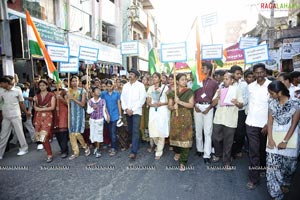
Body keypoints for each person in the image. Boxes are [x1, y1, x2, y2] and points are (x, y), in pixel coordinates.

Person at [266, 80, 300, 200]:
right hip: (274, 137)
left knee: (289, 166)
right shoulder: (271, 103)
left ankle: (286, 182)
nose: (270, 96)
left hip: (290, 138)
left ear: (280, 92)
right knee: (272, 167)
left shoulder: (295, 103)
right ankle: (276, 195)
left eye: (272, 93)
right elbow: (269, 122)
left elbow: (294, 124)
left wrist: (285, 141)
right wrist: (270, 139)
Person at [246, 63, 272, 190]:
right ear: (254, 74)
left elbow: (273, 107)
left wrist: (268, 124)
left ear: (265, 73)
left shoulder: (271, 86)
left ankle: (262, 168)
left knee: (263, 150)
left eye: (261, 72)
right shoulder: (250, 86)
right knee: (254, 151)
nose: (259, 75)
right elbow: (246, 102)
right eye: (256, 72)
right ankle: (253, 178)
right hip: (250, 123)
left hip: (265, 125)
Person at [211, 73, 244, 167]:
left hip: (230, 119)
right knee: (216, 138)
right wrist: (218, 97)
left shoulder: (237, 90)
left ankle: (226, 161)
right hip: (219, 118)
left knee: (228, 141)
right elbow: (213, 104)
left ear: (232, 80)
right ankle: (218, 154)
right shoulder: (219, 89)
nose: (224, 80)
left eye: (227, 79)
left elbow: (241, 104)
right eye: (224, 79)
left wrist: (236, 102)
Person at [168, 73, 194, 171]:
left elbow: (191, 105)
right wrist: (172, 107)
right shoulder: (172, 92)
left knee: (185, 138)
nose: (184, 81)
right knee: (175, 136)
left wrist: (179, 102)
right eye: (182, 79)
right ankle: (177, 152)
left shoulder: (189, 91)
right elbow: (169, 106)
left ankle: (183, 161)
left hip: (186, 116)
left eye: (185, 79)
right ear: (177, 81)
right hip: (175, 116)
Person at [194, 62, 219, 164]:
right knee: (198, 130)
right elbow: (193, 95)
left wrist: (209, 107)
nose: (201, 70)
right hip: (197, 107)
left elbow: (216, 97)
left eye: (203, 68)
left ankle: (207, 154)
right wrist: (195, 105)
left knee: (207, 131)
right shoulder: (197, 81)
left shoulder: (214, 83)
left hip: (208, 106)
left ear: (208, 70)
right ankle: (199, 149)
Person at [0, 76, 31, 159]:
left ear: (6, 83)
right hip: (6, 116)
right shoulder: (1, 91)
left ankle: (24, 148)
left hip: (15, 115)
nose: (0, 84)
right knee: (3, 135)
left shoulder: (17, 90)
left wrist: (26, 112)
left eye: (2, 83)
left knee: (19, 132)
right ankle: (0, 153)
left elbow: (21, 103)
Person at [121, 68, 146, 160]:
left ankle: (134, 151)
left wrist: (133, 109)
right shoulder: (125, 86)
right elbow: (122, 98)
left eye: (131, 74)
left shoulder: (140, 86)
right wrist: (126, 109)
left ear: (136, 76)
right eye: (129, 74)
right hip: (127, 111)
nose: (130, 75)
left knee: (135, 130)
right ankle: (137, 142)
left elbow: (142, 99)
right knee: (131, 129)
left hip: (136, 112)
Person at [147, 72, 170, 160]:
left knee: (161, 130)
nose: (154, 79)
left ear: (160, 78)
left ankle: (159, 150)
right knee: (153, 131)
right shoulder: (150, 88)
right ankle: (157, 144)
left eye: (156, 77)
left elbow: (169, 101)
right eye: (153, 77)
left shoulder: (165, 87)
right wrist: (153, 105)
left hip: (163, 110)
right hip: (153, 111)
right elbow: (148, 102)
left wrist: (161, 103)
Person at [68, 76, 91, 160]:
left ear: (79, 82)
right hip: (71, 114)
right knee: (71, 133)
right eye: (72, 81)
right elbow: (67, 103)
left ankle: (85, 146)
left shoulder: (82, 90)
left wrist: (73, 98)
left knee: (77, 132)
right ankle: (75, 152)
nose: (74, 82)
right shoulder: (69, 91)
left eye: (76, 81)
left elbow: (82, 104)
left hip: (79, 113)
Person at [33, 80, 56, 163]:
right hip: (38, 117)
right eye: (40, 85)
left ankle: (49, 154)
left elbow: (52, 107)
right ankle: (49, 154)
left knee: (44, 135)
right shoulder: (37, 95)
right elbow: (35, 107)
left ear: (47, 86)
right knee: (41, 137)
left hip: (48, 116)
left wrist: (41, 109)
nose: (41, 87)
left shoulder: (51, 95)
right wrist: (34, 101)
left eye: (43, 85)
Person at [230, 66, 248, 159]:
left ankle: (238, 150)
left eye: (240, 74)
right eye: (237, 74)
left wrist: (239, 103)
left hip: (240, 111)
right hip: (230, 111)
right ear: (232, 74)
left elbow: (246, 99)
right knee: (230, 132)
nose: (239, 75)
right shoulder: (226, 83)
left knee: (240, 133)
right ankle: (230, 151)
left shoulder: (244, 85)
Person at [87, 87, 110, 158]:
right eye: (97, 90)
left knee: (99, 135)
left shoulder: (102, 101)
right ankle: (96, 148)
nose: (99, 91)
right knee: (93, 135)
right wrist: (93, 108)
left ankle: (98, 149)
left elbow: (104, 110)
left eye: (99, 90)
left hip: (99, 120)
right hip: (92, 121)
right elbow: (88, 111)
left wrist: (107, 117)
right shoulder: (90, 101)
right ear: (93, 93)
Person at [101, 80, 122, 156]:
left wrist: (120, 115)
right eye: (107, 86)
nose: (109, 87)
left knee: (113, 132)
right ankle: (112, 144)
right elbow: (103, 105)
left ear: (113, 86)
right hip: (107, 115)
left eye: (110, 86)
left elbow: (118, 104)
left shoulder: (117, 94)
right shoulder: (103, 94)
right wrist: (107, 115)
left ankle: (114, 148)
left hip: (115, 115)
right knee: (109, 131)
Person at [53, 82, 69, 158]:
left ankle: (64, 151)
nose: (57, 85)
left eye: (58, 83)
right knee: (57, 133)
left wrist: (61, 98)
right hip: (54, 113)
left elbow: (68, 103)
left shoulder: (64, 92)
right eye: (55, 83)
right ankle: (62, 148)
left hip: (63, 113)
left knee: (63, 132)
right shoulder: (52, 93)